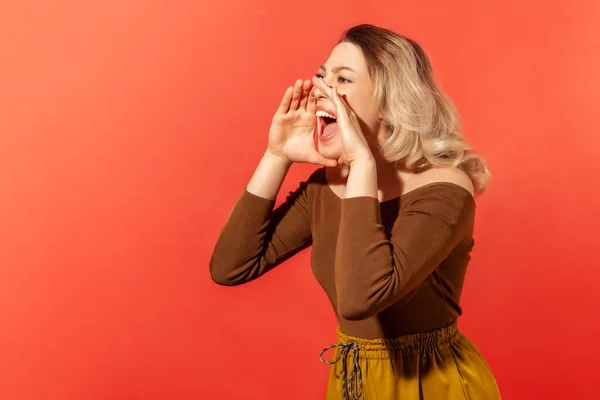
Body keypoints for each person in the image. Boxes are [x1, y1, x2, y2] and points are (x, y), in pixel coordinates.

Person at [210, 24, 501, 399]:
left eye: (342, 79)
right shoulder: (326, 185)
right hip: (354, 382)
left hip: (431, 385)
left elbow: (361, 297)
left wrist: (361, 164)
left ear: (390, 100)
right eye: (321, 76)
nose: (321, 89)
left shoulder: (445, 189)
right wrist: (277, 155)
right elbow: (231, 267)